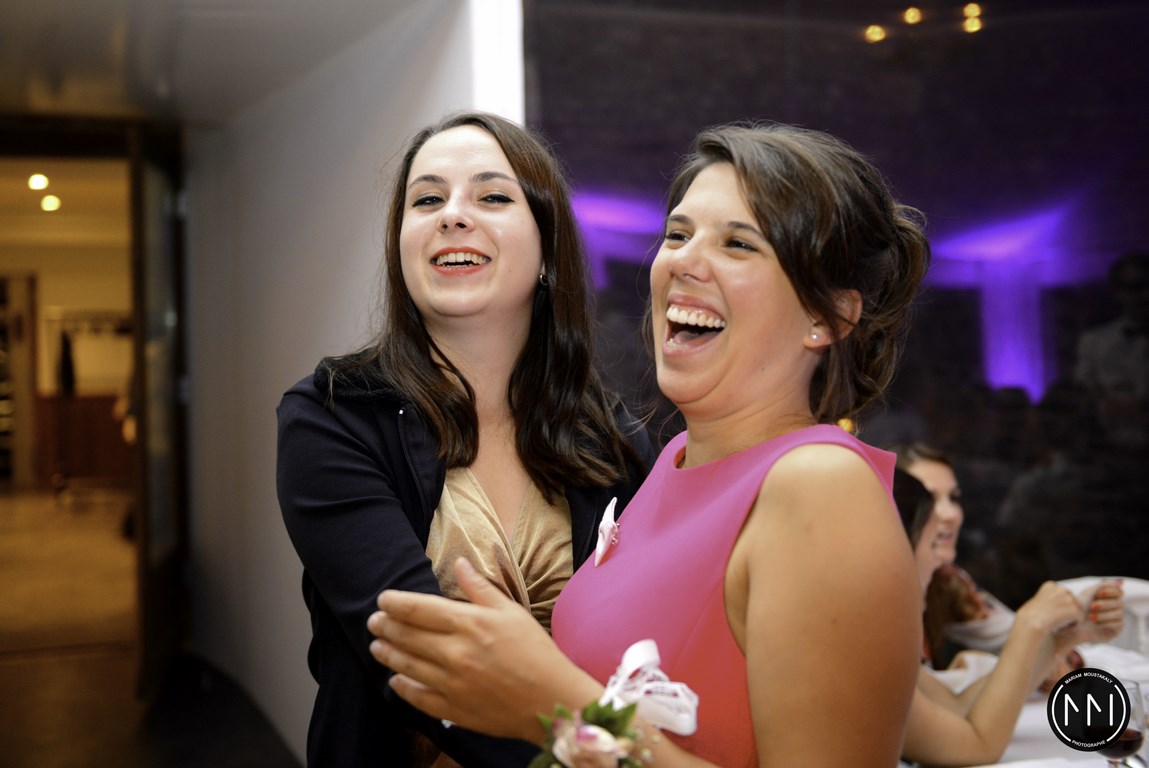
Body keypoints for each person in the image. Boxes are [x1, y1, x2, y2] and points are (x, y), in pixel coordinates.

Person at [367, 122, 931, 767]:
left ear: (826, 317)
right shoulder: (670, 463)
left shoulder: (820, 487)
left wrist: (555, 708)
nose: (683, 262)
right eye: (678, 234)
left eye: (739, 244)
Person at [276, 111, 656, 768]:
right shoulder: (331, 416)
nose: (452, 215)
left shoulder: (611, 439)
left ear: (548, 249)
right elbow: (418, 653)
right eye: (427, 200)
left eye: (492, 197)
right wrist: (604, 753)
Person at [891, 465, 1125, 767]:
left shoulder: (880, 641)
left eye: (954, 497)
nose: (939, 562)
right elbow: (975, 746)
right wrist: (1030, 625)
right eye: (932, 543)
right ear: (897, 550)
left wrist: (1057, 640)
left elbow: (955, 708)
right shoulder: (865, 649)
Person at [888, 441, 1124, 674]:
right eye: (928, 501)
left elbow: (1009, 636)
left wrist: (1073, 627)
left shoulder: (947, 581)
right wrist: (1032, 624)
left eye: (954, 497)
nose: (950, 514)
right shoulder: (883, 595)